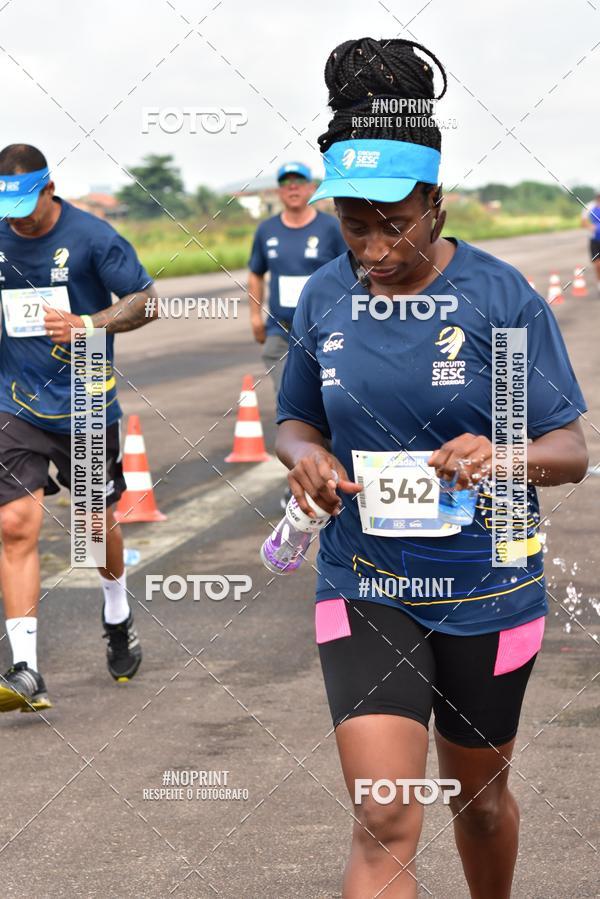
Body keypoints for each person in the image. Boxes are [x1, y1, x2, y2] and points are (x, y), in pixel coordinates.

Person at [275, 39, 588, 898]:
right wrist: (306, 456)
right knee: (384, 815)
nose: (374, 248)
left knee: (479, 804)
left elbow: (568, 451)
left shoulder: (499, 299)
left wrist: (502, 455)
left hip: (489, 587)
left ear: (436, 204)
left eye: (395, 224)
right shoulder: (326, 297)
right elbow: (293, 419)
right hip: (364, 578)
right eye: (355, 226)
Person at [0, 144, 159, 713]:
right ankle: (25, 668)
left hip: (86, 397)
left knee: (91, 530)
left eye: (26, 206)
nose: (18, 219)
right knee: (14, 524)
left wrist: (89, 323)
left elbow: (146, 302)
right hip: (14, 402)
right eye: (8, 208)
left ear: (49, 188)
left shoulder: (93, 237)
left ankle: (117, 612)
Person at [247, 162, 347, 394]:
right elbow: (256, 273)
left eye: (299, 182)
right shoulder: (266, 230)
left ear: (311, 188)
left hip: (325, 329)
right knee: (288, 396)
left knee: (325, 397)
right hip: (281, 329)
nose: (293, 188)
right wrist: (254, 316)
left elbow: (350, 274)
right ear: (278, 191)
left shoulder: (331, 227)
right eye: (286, 183)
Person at [585, 192, 600, 293]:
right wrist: (591, 227)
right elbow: (583, 221)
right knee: (597, 264)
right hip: (594, 240)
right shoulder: (589, 207)